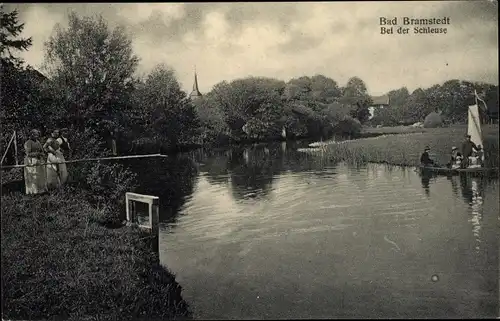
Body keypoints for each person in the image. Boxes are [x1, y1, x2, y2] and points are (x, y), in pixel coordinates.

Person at [23, 129, 48, 195]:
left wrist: (42, 154)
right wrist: (37, 154)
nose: (37, 136)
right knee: (33, 176)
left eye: (37, 135)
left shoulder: (38, 142)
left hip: (39, 160)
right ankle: (33, 191)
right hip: (31, 161)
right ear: (32, 135)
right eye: (35, 135)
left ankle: (41, 190)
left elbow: (41, 150)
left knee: (40, 176)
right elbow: (28, 154)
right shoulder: (28, 142)